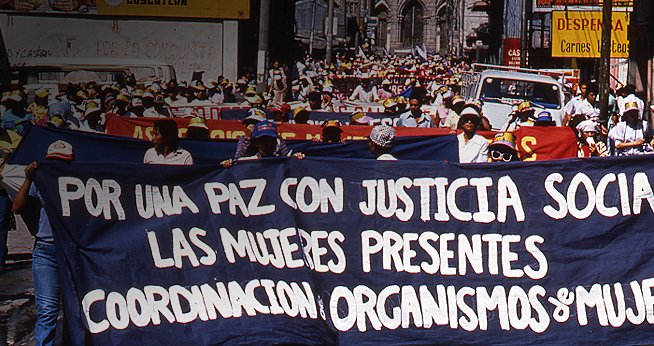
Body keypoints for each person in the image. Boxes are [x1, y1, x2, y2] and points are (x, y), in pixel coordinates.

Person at [13, 140, 75, 346]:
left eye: (62, 162)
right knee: (48, 310)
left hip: (71, 251)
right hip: (45, 251)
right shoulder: (39, 183)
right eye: (53, 162)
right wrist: (28, 179)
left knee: (75, 309)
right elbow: (17, 207)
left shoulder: (78, 183)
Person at [221, 121, 303, 166]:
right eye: (264, 141)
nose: (269, 145)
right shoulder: (245, 163)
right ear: (256, 143)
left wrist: (297, 160)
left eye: (271, 141)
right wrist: (228, 166)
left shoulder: (283, 162)